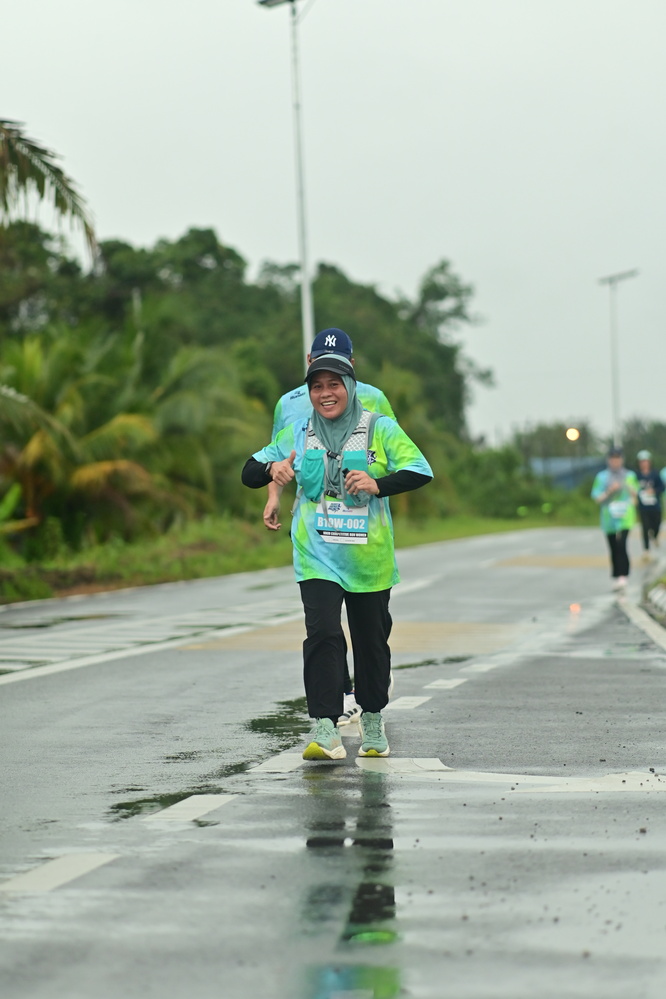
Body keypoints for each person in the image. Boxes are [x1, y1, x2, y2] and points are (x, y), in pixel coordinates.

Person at [242, 353, 432, 761]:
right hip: (316, 552)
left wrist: (378, 484)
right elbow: (250, 469)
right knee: (323, 633)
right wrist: (273, 470)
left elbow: (420, 469)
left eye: (333, 385)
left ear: (350, 385)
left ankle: (373, 718)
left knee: (370, 640)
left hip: (368, 557)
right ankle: (325, 727)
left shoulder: (379, 427)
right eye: (317, 386)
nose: (325, 394)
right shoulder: (299, 430)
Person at [263, 327, 397, 728]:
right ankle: (336, 700)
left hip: (362, 531)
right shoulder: (289, 404)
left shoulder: (374, 400)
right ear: (308, 363)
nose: (326, 391)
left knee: (369, 630)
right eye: (317, 370)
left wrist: (372, 483)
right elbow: (279, 456)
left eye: (336, 377)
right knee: (323, 624)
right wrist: (273, 496)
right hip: (315, 530)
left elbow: (390, 456)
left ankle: (368, 693)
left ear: (352, 367)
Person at [591, 446, 639, 590]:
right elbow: (597, 497)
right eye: (613, 459)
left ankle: (624, 575)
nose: (615, 462)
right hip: (609, 517)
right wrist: (610, 490)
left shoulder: (629, 475)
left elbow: (636, 496)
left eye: (618, 459)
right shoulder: (602, 477)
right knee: (613, 547)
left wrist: (629, 489)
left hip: (625, 517)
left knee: (621, 545)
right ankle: (616, 575)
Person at [635, 449, 664, 559]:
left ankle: (655, 536)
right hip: (643, 506)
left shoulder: (655, 474)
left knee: (657, 524)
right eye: (642, 461)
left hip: (655, 505)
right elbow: (633, 487)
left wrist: (654, 491)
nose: (644, 463)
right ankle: (646, 549)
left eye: (646, 461)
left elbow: (662, 487)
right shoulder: (637, 475)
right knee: (645, 527)